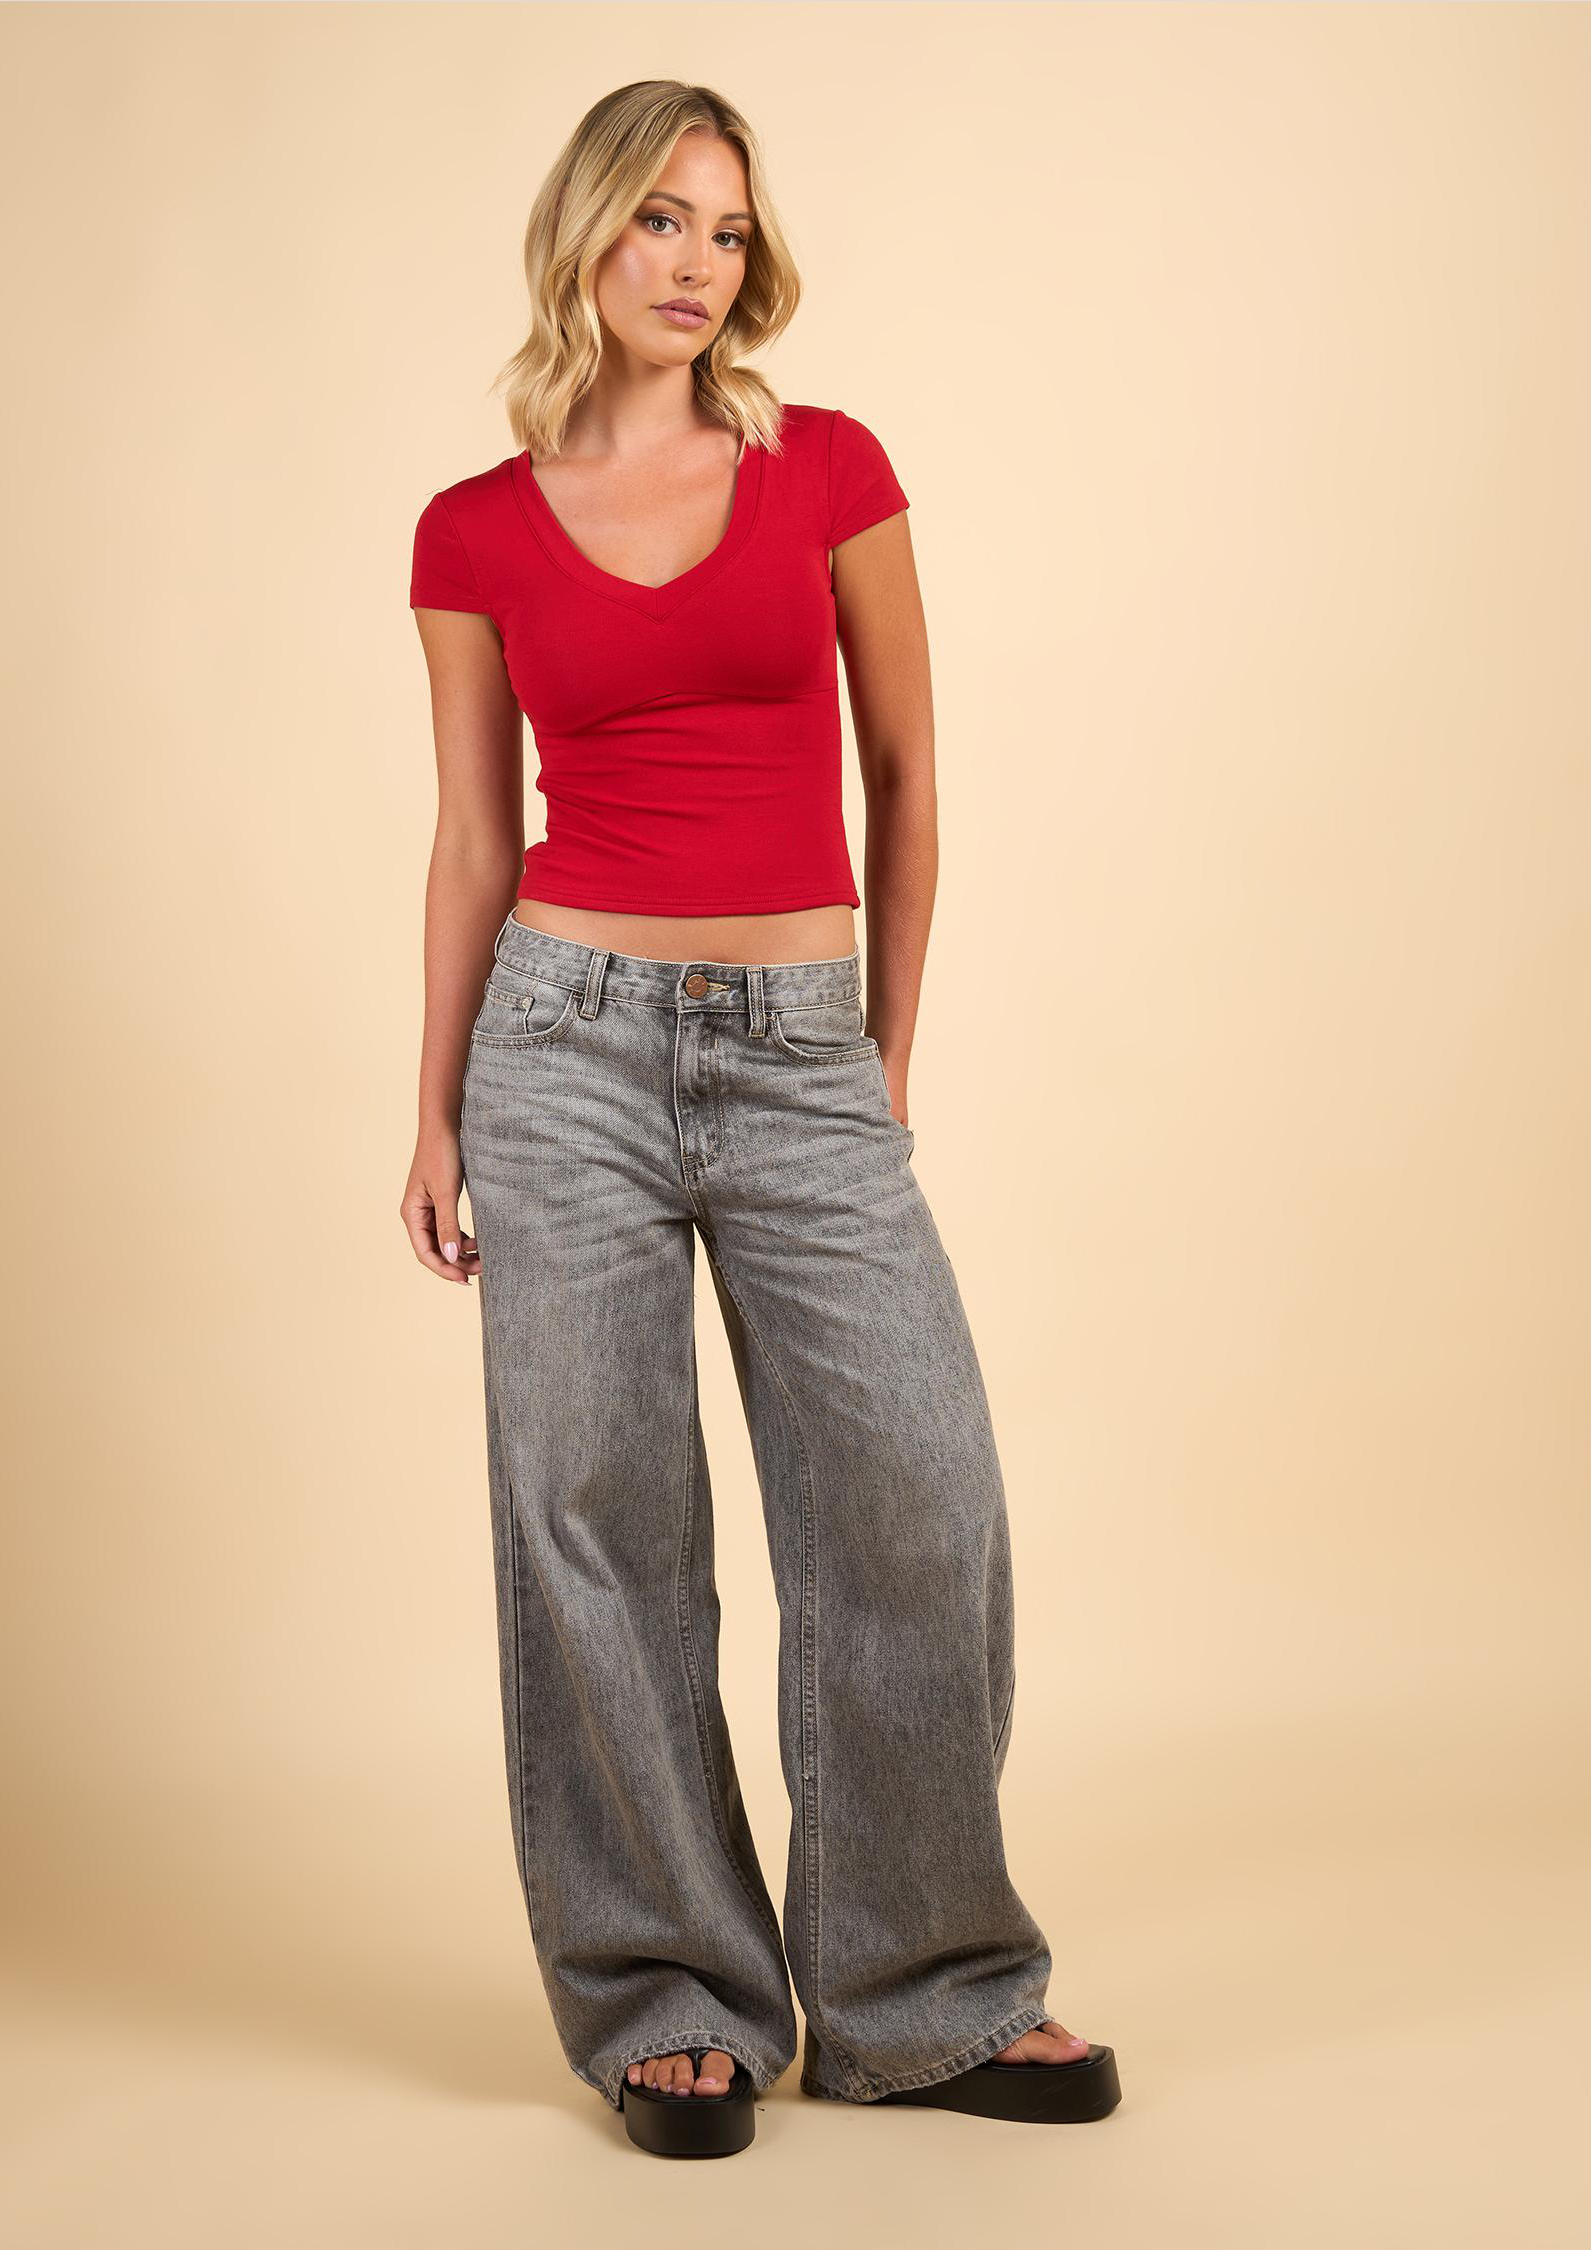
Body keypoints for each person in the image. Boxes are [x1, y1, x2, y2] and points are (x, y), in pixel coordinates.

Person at [405, 80, 1120, 2158]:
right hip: (562, 1046)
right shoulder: (471, 528)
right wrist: (434, 1107)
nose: (697, 260)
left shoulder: (831, 470)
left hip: (800, 1042)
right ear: (587, 234)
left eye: (725, 227)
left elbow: (908, 773)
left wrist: (879, 1050)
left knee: (916, 1498)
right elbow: (474, 840)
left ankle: (925, 1994)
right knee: (596, 1522)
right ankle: (669, 1999)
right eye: (659, 218)